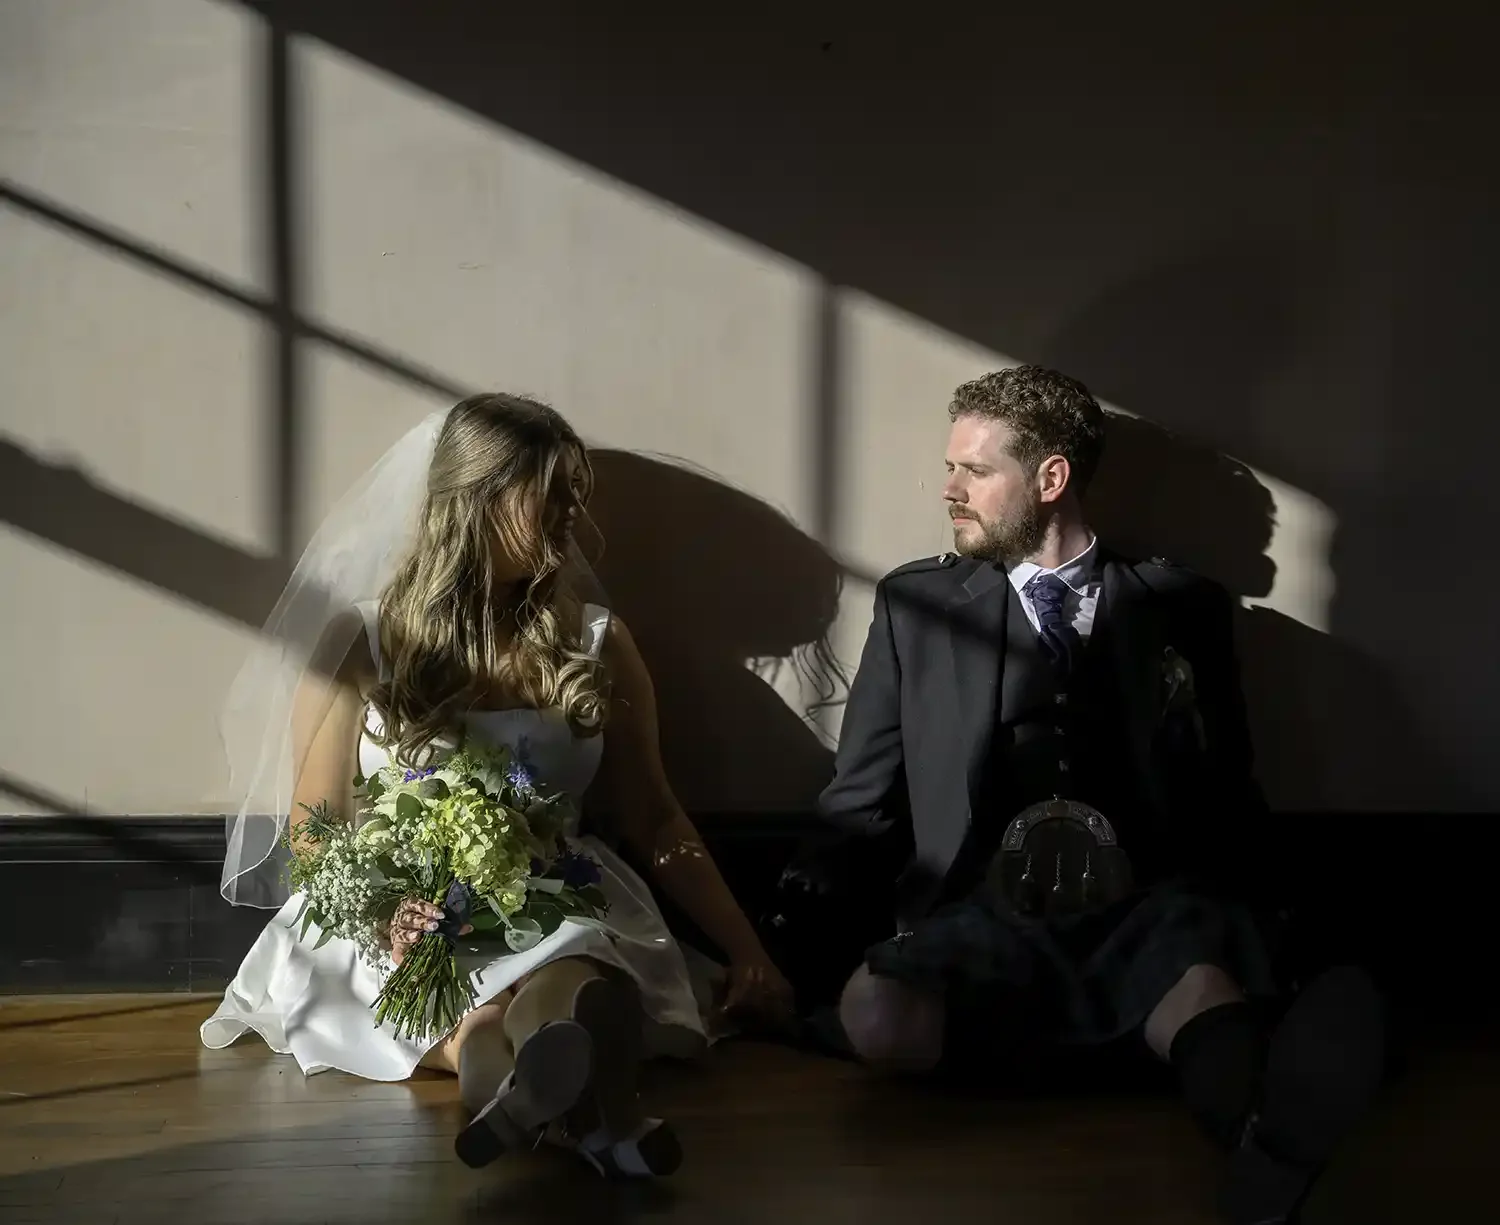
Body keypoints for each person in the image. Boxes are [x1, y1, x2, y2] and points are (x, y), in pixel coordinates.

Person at [816, 366, 1385, 1224]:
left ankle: (1265, 1144)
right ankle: (1125, 1041)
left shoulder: (1178, 602)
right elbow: (861, 788)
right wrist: (781, 940)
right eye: (951, 468)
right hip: (983, 904)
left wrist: (1271, 917)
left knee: (1201, 990)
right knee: (876, 1012)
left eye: (975, 470)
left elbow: (1229, 780)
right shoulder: (916, 603)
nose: (949, 489)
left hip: (1142, 900)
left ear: (1051, 479)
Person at [202, 394, 794, 1178]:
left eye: (573, 494)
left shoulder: (595, 641)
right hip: (393, 903)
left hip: (549, 887)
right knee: (478, 1010)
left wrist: (748, 948)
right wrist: (384, 912)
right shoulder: (365, 639)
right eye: (546, 494)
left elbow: (654, 816)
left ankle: (535, 1102)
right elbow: (317, 829)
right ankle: (604, 1122)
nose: (569, 515)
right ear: (475, 501)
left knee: (576, 973)